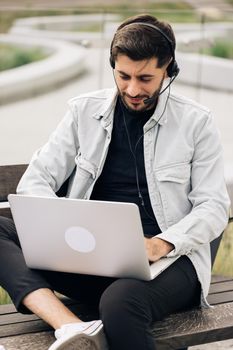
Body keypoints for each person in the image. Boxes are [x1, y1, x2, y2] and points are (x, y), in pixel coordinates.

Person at [0, 13, 230, 350]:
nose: (133, 89)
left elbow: (213, 206)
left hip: (168, 264)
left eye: (146, 78)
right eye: (124, 76)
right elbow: (36, 180)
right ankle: (72, 329)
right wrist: (60, 225)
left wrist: (161, 243)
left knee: (121, 306)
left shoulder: (197, 123)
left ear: (169, 69)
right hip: (89, 259)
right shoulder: (82, 113)